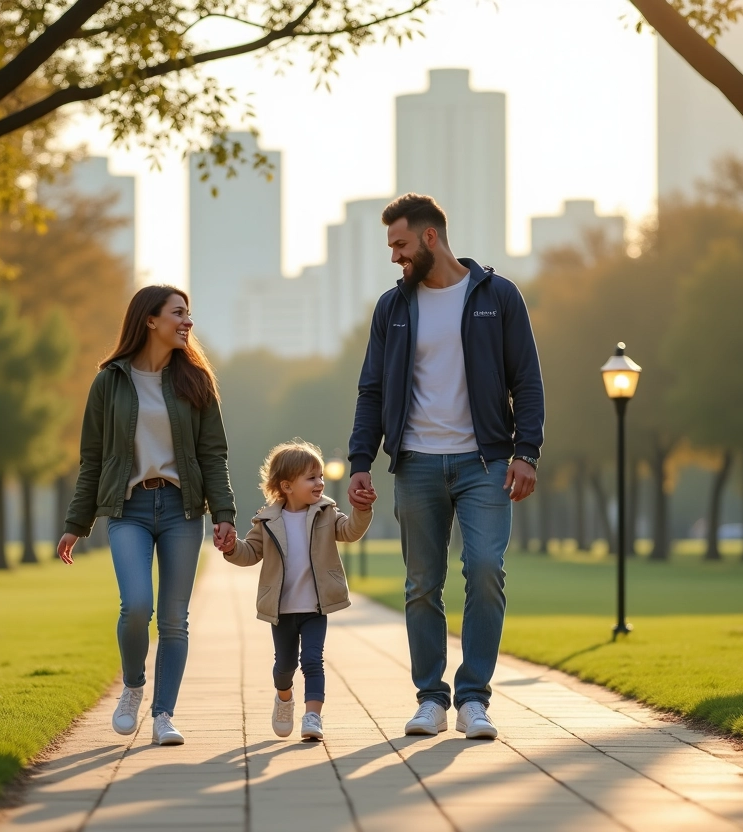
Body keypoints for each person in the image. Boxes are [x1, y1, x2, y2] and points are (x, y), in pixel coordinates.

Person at [347, 194, 544, 740]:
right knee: (421, 585)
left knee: (484, 570)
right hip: (416, 464)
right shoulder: (393, 308)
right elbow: (372, 389)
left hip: (485, 463)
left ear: (430, 238)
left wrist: (527, 452)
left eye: (401, 245)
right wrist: (360, 460)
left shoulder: (497, 297)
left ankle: (474, 699)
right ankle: (430, 700)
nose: (395, 257)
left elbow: (526, 379)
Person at [58, 285, 237, 746]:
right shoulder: (109, 382)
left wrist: (224, 513)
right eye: (178, 313)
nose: (187, 322)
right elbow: (92, 459)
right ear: (150, 320)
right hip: (129, 509)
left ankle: (164, 715)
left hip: (181, 510)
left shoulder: (196, 380)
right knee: (137, 606)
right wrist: (77, 525)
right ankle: (134, 686)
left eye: (189, 314)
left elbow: (212, 454)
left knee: (174, 618)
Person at [220, 440, 373, 741]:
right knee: (284, 666)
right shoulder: (266, 521)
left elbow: (350, 531)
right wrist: (230, 548)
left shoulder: (326, 513)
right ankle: (284, 698)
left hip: (316, 606)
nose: (320, 483)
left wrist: (362, 509)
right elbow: (249, 553)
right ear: (287, 485)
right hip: (282, 609)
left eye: (320, 476)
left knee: (313, 660)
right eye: (311, 477)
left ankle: (313, 716)